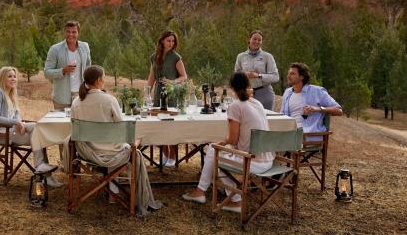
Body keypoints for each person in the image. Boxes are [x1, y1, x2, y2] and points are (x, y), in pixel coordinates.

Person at [71, 65, 162, 216]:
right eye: (104, 77)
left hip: (87, 152)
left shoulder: (76, 102)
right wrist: (136, 141)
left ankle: (111, 190)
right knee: (124, 145)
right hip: (112, 152)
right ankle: (114, 192)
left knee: (114, 144)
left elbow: (75, 128)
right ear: (99, 80)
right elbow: (121, 127)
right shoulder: (109, 100)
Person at [182, 72, 275, 212]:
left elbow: (232, 139)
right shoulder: (257, 103)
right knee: (215, 149)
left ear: (232, 87)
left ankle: (232, 199)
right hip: (269, 160)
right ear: (248, 85)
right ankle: (202, 192)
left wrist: (222, 142)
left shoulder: (236, 106)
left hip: (252, 162)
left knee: (214, 151)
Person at [0, 66, 62, 187]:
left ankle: (43, 171)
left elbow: (16, 113)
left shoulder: (10, 92)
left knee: (37, 130)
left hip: (11, 130)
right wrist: (16, 123)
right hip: (1, 132)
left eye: (14, 76)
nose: (13, 79)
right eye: (10, 76)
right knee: (39, 136)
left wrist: (19, 123)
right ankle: (43, 171)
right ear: (2, 78)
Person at [147, 30, 188, 167]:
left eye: (173, 41)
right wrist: (148, 91)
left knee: (170, 127)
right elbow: (152, 76)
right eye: (168, 40)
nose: (171, 43)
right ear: (162, 41)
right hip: (158, 93)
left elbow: (184, 77)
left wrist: (171, 82)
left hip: (171, 93)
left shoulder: (176, 57)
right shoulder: (154, 57)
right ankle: (164, 154)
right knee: (159, 126)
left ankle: (173, 156)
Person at [281, 62, 342, 134]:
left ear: (302, 77)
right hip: (289, 134)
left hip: (308, 135)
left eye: (292, 74)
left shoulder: (316, 91)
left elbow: (339, 110)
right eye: (288, 73)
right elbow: (282, 115)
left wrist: (317, 109)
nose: (288, 76)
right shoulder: (287, 92)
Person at [44, 20, 92, 110]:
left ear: (78, 33)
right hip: (61, 97)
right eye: (68, 31)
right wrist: (63, 70)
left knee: (80, 123)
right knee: (62, 124)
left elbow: (88, 66)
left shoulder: (85, 47)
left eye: (74, 32)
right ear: (64, 32)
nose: (70, 35)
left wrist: (89, 87)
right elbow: (47, 72)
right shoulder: (55, 49)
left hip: (81, 95)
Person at [234, 29, 279, 110]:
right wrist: (243, 74)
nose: (257, 41)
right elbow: (236, 75)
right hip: (246, 94)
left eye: (259, 40)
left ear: (262, 42)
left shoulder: (268, 56)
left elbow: (275, 77)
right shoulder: (241, 56)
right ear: (249, 39)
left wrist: (258, 75)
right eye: (254, 39)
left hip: (265, 93)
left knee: (265, 121)